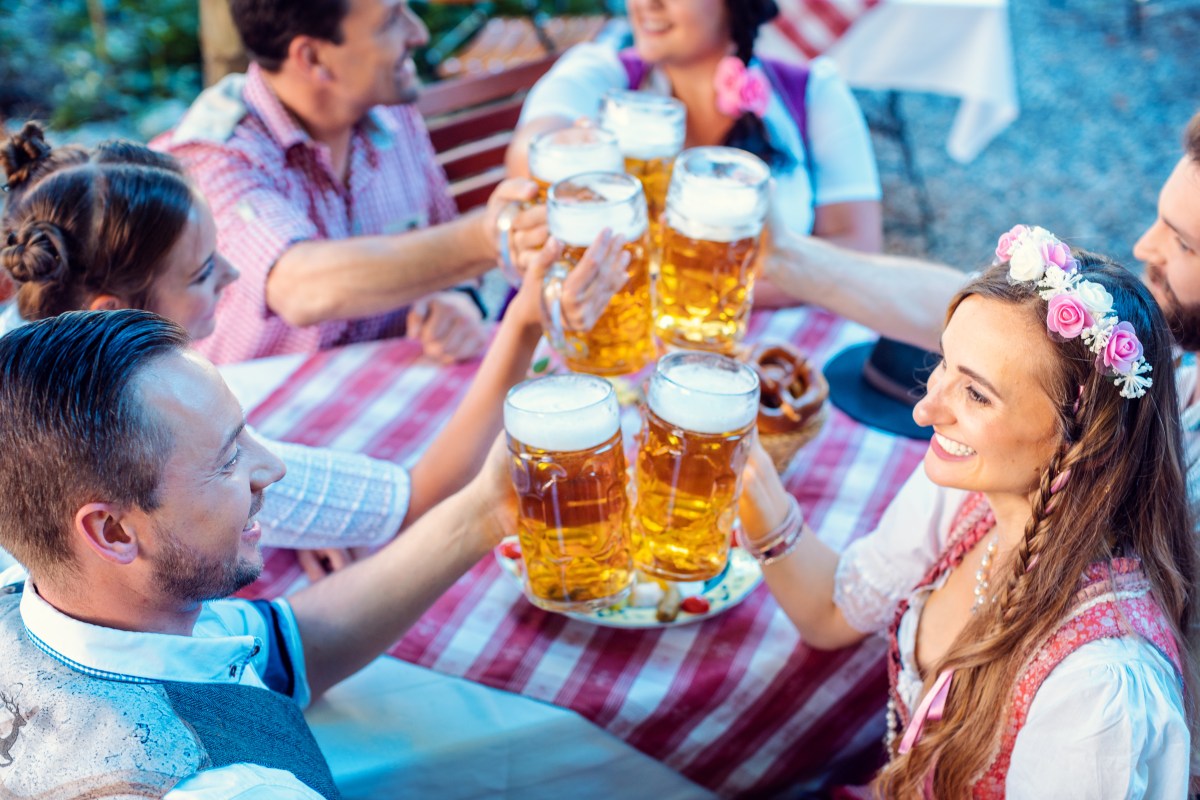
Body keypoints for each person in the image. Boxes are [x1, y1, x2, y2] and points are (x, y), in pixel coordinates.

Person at [0, 124, 628, 577]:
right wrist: (524, 323)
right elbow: (420, 499)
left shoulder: (28, 355)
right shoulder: (162, 441)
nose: (233, 276)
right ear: (111, 313)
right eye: (201, 272)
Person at [737, 230, 1196, 795]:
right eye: (944, 363)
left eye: (976, 395)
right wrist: (754, 488)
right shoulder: (975, 487)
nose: (926, 410)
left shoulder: (1101, 692)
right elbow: (832, 612)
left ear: (1085, 440)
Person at [0, 308, 523, 796]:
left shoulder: (58, 604)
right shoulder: (239, 788)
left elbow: (293, 646)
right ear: (113, 532)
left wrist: (484, 511)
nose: (273, 467)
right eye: (229, 458)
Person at [153, 0, 552, 365]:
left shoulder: (391, 111)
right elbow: (300, 286)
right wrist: (491, 236)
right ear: (313, 58)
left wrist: (459, 299)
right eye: (391, 20)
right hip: (254, 410)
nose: (418, 34)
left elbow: (442, 235)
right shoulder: (211, 157)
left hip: (387, 386)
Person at [507, 0, 883, 306]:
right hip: (614, 341)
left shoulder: (812, 92)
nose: (646, 3)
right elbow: (529, 154)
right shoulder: (600, 72)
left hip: (765, 344)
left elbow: (859, 249)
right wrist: (575, 148)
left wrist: (693, 295)